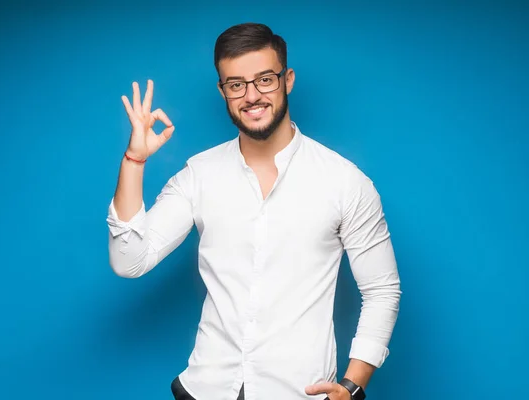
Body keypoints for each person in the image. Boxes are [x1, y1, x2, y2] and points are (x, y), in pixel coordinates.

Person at [106, 22, 401, 400]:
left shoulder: (344, 182)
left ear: (287, 79)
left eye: (265, 79)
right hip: (205, 390)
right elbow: (130, 261)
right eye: (236, 84)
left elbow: (382, 291)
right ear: (223, 91)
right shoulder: (200, 175)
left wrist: (353, 384)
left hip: (298, 393)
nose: (252, 95)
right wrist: (134, 161)